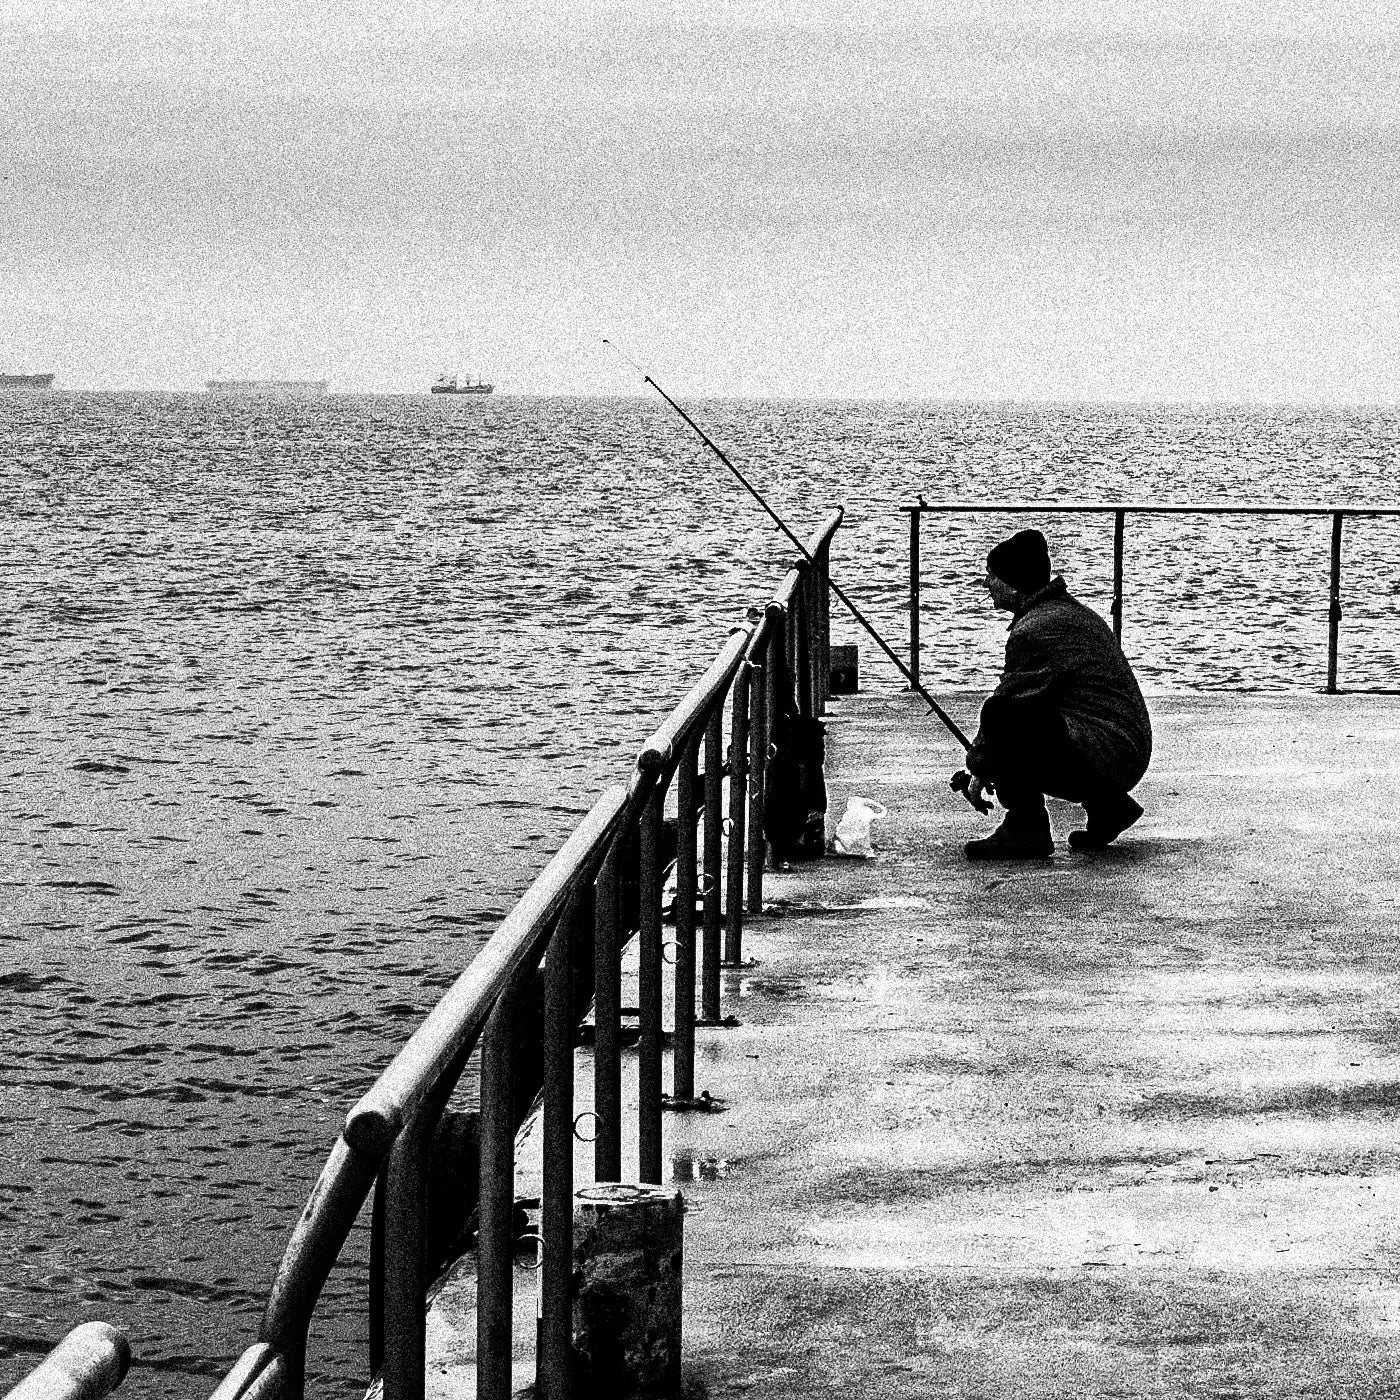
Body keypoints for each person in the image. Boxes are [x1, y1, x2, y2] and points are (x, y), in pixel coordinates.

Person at [957, 528, 1152, 860]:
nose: (986, 584)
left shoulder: (1035, 630)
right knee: (1025, 718)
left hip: (1112, 751)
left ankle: (1025, 828)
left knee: (1003, 715)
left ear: (1013, 583)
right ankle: (1110, 807)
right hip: (1124, 747)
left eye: (991, 576)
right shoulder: (1066, 612)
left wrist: (980, 768)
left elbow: (1007, 709)